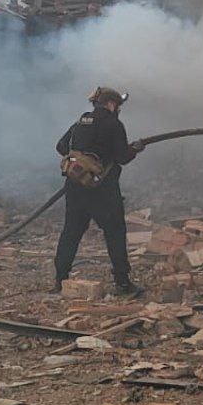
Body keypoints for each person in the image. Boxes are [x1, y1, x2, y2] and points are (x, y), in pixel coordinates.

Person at [53, 87, 145, 295]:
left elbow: (60, 147)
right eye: (117, 105)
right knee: (115, 232)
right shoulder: (113, 124)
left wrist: (80, 157)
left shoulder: (81, 121)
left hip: (75, 187)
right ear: (111, 104)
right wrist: (135, 149)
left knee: (71, 232)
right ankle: (123, 282)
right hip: (103, 190)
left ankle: (60, 279)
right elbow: (122, 157)